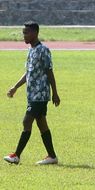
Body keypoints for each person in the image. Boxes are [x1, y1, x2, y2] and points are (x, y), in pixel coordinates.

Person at [4, 21, 60, 165]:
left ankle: (16, 155)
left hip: (40, 95)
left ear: (35, 33)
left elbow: (49, 72)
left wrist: (55, 93)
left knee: (26, 121)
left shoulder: (43, 50)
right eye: (23, 32)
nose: (24, 35)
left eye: (26, 33)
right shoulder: (31, 51)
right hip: (32, 95)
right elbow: (28, 73)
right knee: (42, 125)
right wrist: (15, 87)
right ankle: (52, 156)